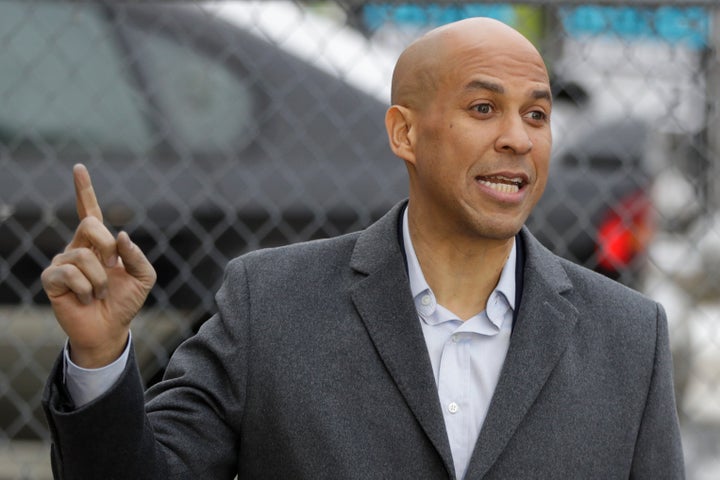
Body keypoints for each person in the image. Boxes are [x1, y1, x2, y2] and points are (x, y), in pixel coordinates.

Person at [41, 17, 684, 479]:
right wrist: (99, 356)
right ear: (404, 132)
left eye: (537, 115)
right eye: (484, 108)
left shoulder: (630, 338)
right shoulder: (270, 305)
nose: (518, 138)